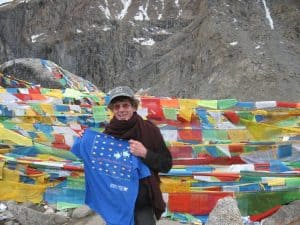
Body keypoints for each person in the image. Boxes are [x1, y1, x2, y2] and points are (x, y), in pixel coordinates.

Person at [104, 86, 173, 225]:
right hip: (118, 202)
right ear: (112, 110)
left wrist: (145, 153)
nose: (121, 110)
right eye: (117, 107)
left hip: (143, 202)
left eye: (125, 105)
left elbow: (166, 164)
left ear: (134, 107)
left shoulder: (150, 130)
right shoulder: (107, 135)